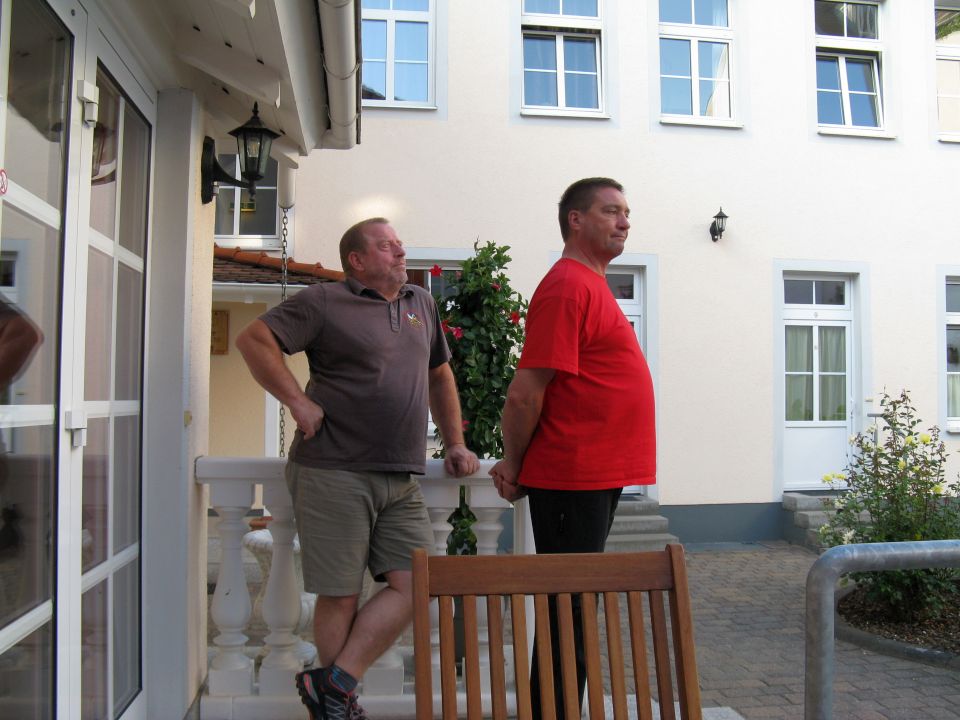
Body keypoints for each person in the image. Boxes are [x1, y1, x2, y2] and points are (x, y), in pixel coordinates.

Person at [236, 217, 479, 720]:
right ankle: (337, 707)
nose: (400, 251)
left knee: (418, 581)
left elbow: (439, 375)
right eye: (387, 246)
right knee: (341, 594)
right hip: (333, 469)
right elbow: (253, 340)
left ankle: (333, 683)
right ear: (357, 260)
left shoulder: (420, 303)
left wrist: (454, 442)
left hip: (400, 475)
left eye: (400, 244)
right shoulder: (324, 301)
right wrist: (297, 403)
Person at [489, 178, 656, 719]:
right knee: (570, 611)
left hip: (592, 474)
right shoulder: (567, 286)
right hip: (571, 475)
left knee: (575, 609)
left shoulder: (591, 284)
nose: (624, 221)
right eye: (611, 211)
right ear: (575, 220)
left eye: (626, 212)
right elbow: (524, 393)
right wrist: (515, 465)